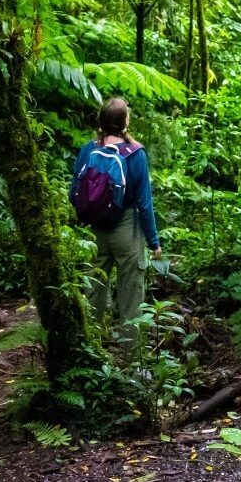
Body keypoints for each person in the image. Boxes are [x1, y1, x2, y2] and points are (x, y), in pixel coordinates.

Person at [69, 97, 162, 340]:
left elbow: (73, 193)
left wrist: (92, 213)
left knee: (93, 291)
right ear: (125, 122)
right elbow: (144, 202)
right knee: (131, 296)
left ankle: (91, 350)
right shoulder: (135, 154)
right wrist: (154, 242)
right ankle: (133, 361)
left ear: (100, 121)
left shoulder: (89, 149)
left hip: (94, 233)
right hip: (126, 230)